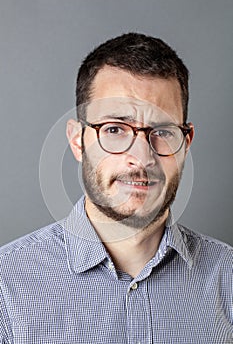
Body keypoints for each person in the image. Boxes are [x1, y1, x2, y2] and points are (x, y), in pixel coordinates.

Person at [0, 33, 232, 344]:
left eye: (162, 131)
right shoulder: (6, 285)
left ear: (186, 143)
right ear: (77, 140)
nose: (141, 158)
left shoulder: (228, 278)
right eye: (115, 129)